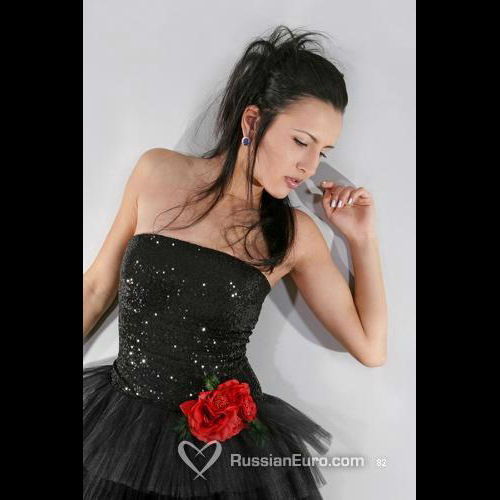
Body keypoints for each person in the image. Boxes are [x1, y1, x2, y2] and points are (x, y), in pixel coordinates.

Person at [83, 25, 387, 499]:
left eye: (323, 152)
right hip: (120, 429)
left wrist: (361, 240)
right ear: (252, 122)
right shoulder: (157, 171)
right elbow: (96, 288)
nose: (310, 166)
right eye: (301, 141)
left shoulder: (293, 234)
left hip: (226, 455)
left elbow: (371, 347)